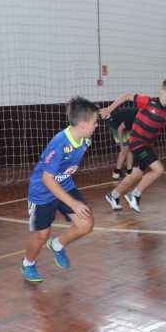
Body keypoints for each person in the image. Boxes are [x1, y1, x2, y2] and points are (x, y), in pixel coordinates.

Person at [21, 96, 99, 283]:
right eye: (95, 123)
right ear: (82, 124)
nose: (96, 126)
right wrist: (72, 203)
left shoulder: (84, 139)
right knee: (41, 235)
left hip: (64, 184)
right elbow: (47, 179)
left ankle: (57, 245)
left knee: (85, 224)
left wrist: (101, 112)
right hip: (43, 191)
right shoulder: (60, 143)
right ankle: (28, 263)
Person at [103, 79, 166, 213]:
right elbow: (127, 95)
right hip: (137, 142)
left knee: (135, 176)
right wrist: (109, 109)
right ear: (163, 91)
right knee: (158, 169)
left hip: (147, 144)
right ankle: (134, 195)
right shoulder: (148, 101)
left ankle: (113, 195)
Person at [107, 106, 137, 180]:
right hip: (116, 124)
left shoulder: (143, 116)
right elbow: (120, 128)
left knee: (130, 147)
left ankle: (129, 171)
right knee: (125, 149)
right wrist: (121, 145)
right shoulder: (133, 116)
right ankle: (116, 172)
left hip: (125, 125)